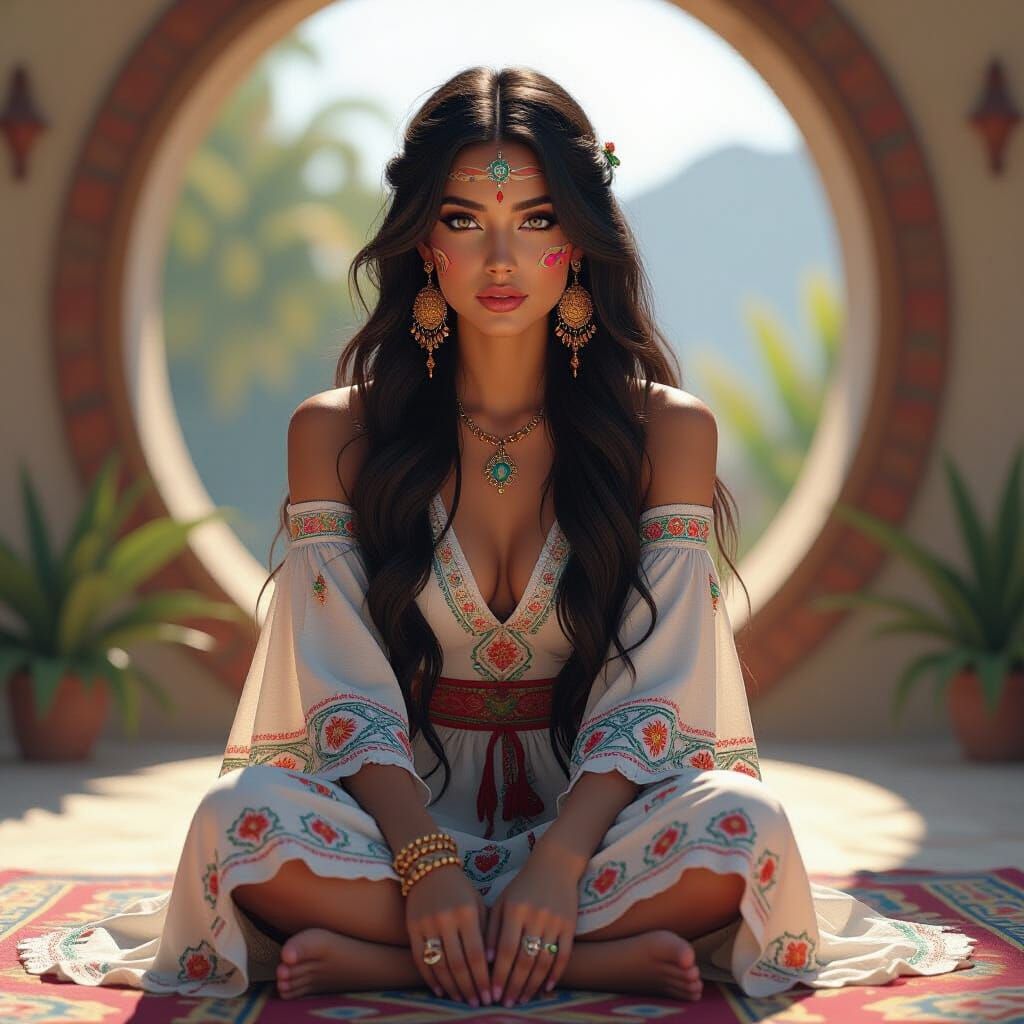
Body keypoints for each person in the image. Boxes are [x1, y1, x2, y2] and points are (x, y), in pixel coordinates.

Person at [18, 65, 975, 1008]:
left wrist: (559, 862)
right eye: (466, 220)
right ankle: (584, 956)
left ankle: (402, 958)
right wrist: (425, 860)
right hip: (394, 825)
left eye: (538, 220)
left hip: (597, 825)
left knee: (746, 825)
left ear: (581, 241)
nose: (503, 259)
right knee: (236, 820)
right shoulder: (336, 434)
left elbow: (660, 685)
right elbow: (341, 686)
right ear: (424, 242)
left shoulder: (666, 432)